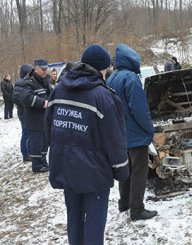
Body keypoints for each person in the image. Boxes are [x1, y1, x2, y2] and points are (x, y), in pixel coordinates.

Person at [44, 44, 129, 244]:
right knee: (94, 222)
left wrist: (59, 150)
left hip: (65, 166)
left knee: (73, 218)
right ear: (101, 68)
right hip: (94, 173)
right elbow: (114, 139)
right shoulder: (103, 96)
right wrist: (121, 170)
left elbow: (48, 127)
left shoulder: (58, 90)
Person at [107, 43, 158, 221]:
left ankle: (124, 203)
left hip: (120, 134)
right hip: (136, 135)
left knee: (125, 171)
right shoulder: (131, 78)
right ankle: (137, 209)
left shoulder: (112, 78)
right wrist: (149, 130)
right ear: (131, 60)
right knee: (139, 172)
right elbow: (139, 109)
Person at [20, 59, 52, 173]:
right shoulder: (28, 81)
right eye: (43, 69)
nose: (45, 71)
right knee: (36, 144)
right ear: (36, 69)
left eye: (46, 69)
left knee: (45, 143)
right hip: (34, 120)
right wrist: (43, 103)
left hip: (44, 118)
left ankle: (43, 162)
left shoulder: (45, 80)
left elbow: (50, 93)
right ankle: (37, 165)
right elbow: (26, 98)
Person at [12, 64, 32, 162]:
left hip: (26, 112)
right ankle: (25, 154)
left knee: (28, 132)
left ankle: (28, 151)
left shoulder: (25, 82)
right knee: (26, 133)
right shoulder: (20, 83)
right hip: (23, 112)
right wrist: (25, 103)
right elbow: (15, 98)